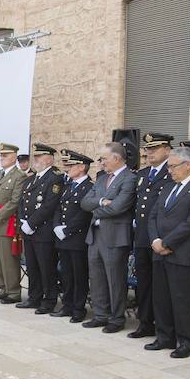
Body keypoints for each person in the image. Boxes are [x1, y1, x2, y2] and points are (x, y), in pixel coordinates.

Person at [145, 146, 190, 357]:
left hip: (181, 252)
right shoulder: (168, 187)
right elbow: (153, 216)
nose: (169, 170)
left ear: (187, 165)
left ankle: (186, 342)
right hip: (159, 251)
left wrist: (167, 242)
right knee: (161, 297)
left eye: (173, 166)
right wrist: (155, 240)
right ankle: (165, 337)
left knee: (182, 300)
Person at [80, 140, 136, 332]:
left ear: (116, 158)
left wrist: (96, 209)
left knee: (115, 279)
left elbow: (119, 207)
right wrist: (102, 201)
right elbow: (85, 202)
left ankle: (116, 318)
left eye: (104, 158)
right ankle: (100, 315)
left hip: (115, 237)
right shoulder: (102, 178)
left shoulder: (129, 178)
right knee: (96, 278)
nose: (101, 162)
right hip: (95, 235)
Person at [130, 132, 175, 338]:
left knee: (160, 285)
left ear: (167, 150)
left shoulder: (172, 172)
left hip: (161, 237)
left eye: (154, 148)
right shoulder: (143, 174)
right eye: (147, 149)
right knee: (144, 282)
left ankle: (162, 325)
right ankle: (145, 322)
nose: (149, 152)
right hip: (142, 236)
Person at [16, 143, 61, 313]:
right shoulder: (31, 179)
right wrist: (23, 221)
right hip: (29, 230)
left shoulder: (54, 178)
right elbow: (22, 202)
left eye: (39, 156)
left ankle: (49, 301)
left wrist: (31, 223)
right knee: (32, 266)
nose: (35, 160)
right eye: (35, 156)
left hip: (43, 231)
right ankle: (34, 297)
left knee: (46, 268)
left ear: (49, 159)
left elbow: (49, 205)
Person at [53, 150, 94, 321]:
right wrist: (57, 226)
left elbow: (84, 214)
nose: (67, 168)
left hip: (77, 238)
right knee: (66, 275)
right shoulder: (68, 186)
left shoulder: (89, 187)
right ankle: (67, 305)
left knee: (79, 275)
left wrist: (67, 230)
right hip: (63, 238)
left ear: (82, 167)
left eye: (71, 165)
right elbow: (58, 207)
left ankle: (78, 309)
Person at [0, 143, 25, 303]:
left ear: (14, 157)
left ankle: (13, 292)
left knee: (8, 260)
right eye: (0, 155)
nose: (1, 158)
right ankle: (3, 288)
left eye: (5, 155)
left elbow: (15, 201)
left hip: (7, 223)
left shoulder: (19, 176)